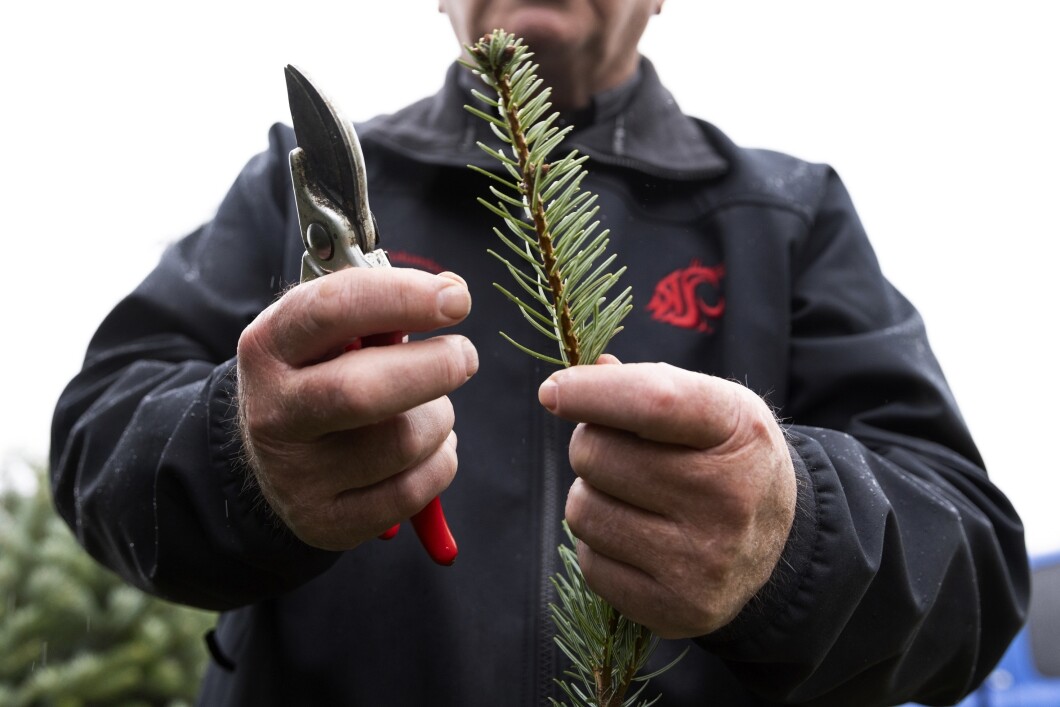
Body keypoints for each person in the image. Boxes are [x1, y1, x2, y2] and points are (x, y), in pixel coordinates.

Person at [50, 1, 1029, 704]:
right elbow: (99, 438)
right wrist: (241, 452)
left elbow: (974, 577)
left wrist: (796, 540)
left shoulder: (786, 216)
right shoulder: (295, 185)